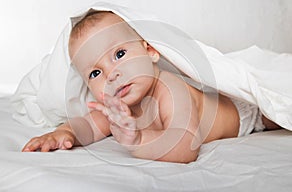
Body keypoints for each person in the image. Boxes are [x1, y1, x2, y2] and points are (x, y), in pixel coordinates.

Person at [22, 10, 280, 163]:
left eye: (119, 54)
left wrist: (138, 139)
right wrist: (63, 134)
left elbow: (184, 148)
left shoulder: (171, 90)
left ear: (151, 51)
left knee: (276, 110)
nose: (112, 75)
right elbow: (87, 126)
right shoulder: (116, 109)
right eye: (96, 72)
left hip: (243, 113)